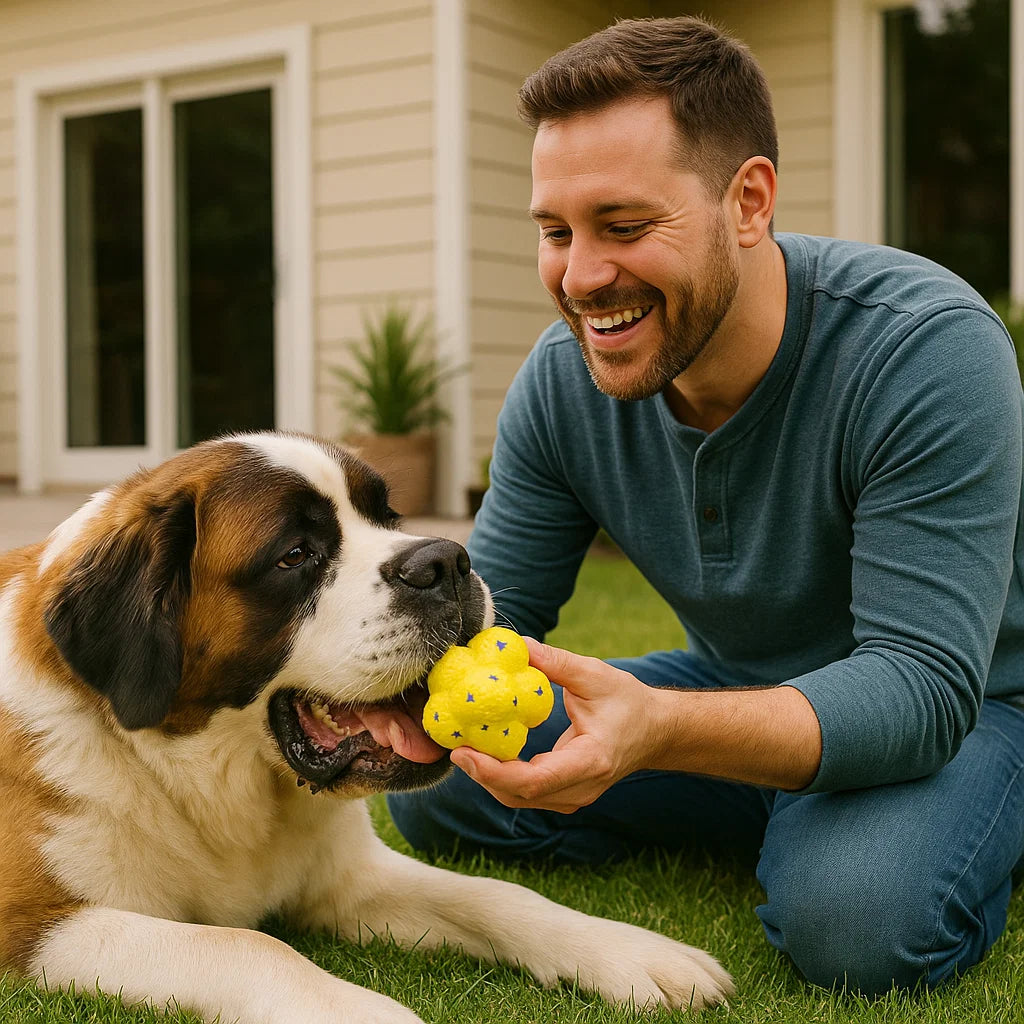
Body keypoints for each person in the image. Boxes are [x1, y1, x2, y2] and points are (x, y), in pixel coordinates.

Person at [387, 15, 1024, 997]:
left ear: (749, 202)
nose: (582, 277)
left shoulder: (923, 349)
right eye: (556, 232)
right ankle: (786, 806)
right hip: (734, 679)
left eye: (625, 226)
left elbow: (919, 684)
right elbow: (493, 616)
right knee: (447, 789)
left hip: (971, 701)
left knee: (856, 919)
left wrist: (664, 733)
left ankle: (925, 820)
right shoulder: (563, 384)